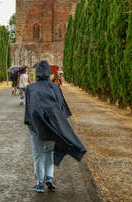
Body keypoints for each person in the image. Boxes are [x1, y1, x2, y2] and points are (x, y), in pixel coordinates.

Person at [24, 61, 86, 193]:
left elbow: (28, 109)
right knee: (48, 153)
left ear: (37, 73)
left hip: (35, 127)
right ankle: (50, 178)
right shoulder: (55, 88)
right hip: (52, 126)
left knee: (37, 155)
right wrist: (60, 124)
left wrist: (30, 123)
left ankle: (40, 183)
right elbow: (62, 107)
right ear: (48, 73)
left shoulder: (31, 88)